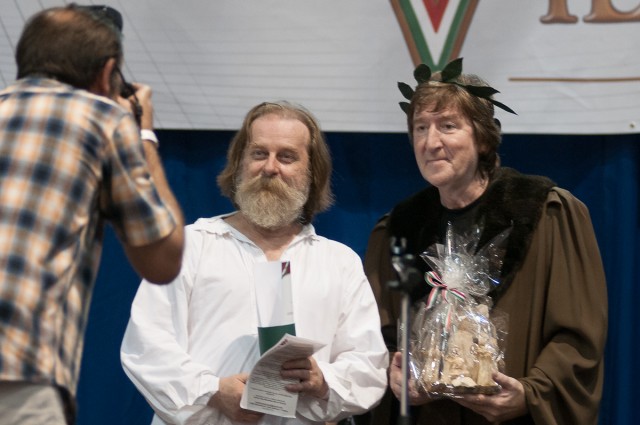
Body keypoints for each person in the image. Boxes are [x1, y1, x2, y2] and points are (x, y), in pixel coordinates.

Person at [363, 58, 607, 425]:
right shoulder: (397, 230)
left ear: (481, 137)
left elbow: (578, 337)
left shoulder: (546, 213)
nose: (431, 142)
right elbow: (376, 336)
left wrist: (531, 394)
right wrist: (394, 373)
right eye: (420, 128)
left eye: (448, 126)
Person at [120, 101, 388, 425]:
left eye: (286, 157)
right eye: (259, 153)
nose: (270, 168)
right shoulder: (191, 246)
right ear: (240, 163)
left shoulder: (338, 263)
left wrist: (322, 381)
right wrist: (213, 391)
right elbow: (146, 346)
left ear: (312, 172)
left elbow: (369, 368)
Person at [0, 5, 185, 424]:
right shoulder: (102, 119)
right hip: (19, 376)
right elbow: (163, 261)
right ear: (107, 74)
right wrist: (142, 131)